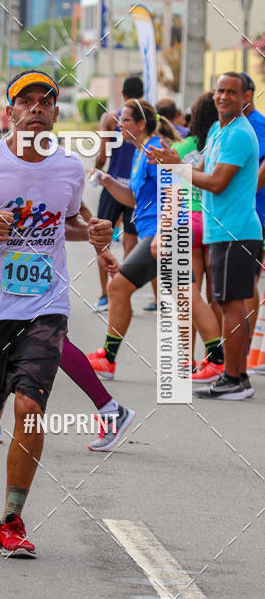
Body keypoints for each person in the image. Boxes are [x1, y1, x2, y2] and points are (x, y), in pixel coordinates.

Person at [0, 69, 117, 557]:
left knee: (31, 409)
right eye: (25, 101)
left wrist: (92, 231)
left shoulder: (69, 169)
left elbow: (69, 222)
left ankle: (12, 519)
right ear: (9, 112)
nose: (36, 108)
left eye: (45, 101)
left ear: (55, 111)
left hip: (45, 307)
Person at [150, 72, 262, 399]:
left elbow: (216, 182)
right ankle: (235, 377)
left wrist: (177, 166)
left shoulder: (240, 134)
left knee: (230, 306)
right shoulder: (217, 130)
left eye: (232, 92)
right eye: (219, 91)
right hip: (219, 230)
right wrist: (173, 161)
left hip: (235, 230)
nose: (224, 97)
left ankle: (235, 378)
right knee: (224, 302)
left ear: (245, 98)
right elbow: (198, 169)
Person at [86, 99, 181, 378]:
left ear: (141, 124)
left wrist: (163, 233)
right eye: (118, 120)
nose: (119, 126)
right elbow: (134, 198)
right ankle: (216, 360)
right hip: (157, 233)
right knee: (187, 297)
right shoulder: (141, 152)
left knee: (118, 288)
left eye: (125, 120)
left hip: (163, 234)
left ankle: (108, 358)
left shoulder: (154, 150)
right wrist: (105, 180)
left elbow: (178, 190)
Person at [175, 92, 224, 382]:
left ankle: (185, 359)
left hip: (186, 221)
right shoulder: (219, 144)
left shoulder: (182, 147)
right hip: (213, 219)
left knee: (188, 296)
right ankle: (215, 358)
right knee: (214, 296)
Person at [93, 76, 143, 313]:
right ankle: (123, 291)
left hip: (113, 187)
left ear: (123, 93)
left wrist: (98, 169)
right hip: (135, 188)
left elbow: (102, 155)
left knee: (102, 239)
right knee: (130, 241)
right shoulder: (147, 120)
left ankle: (105, 294)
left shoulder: (110, 118)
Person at [240, 74, 265, 339]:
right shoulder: (228, 127)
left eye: (231, 92)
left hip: (257, 215)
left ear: (247, 95)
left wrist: (241, 196)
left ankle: (244, 345)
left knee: (249, 281)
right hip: (234, 217)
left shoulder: (260, 126)